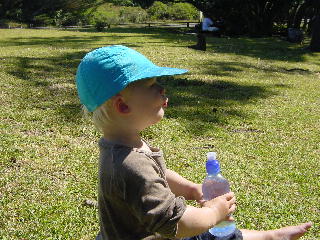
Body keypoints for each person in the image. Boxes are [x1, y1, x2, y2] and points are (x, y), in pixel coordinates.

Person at [75, 45, 312, 240]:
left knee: (211, 232)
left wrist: (191, 189)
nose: (162, 88)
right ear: (123, 106)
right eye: (151, 86)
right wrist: (214, 211)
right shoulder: (128, 164)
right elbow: (178, 224)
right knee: (206, 230)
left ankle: (270, 236)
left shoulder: (122, 146)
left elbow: (158, 174)